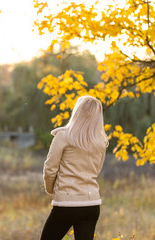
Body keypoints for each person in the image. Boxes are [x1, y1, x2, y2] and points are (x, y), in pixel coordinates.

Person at [40, 95, 108, 240]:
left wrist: (50, 189)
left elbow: (50, 168)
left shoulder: (63, 136)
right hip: (92, 204)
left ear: (77, 112)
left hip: (67, 203)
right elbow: (96, 170)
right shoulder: (101, 141)